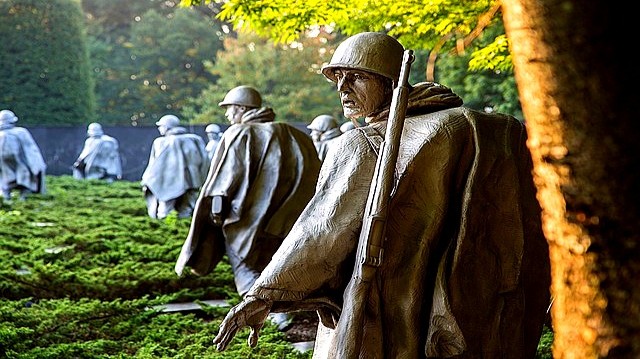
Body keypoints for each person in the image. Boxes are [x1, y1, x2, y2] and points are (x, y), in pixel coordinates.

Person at [211, 32, 551, 358]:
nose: (343, 88)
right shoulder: (476, 127)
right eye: (338, 78)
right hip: (480, 313)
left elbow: (322, 233)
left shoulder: (359, 144)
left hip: (387, 316)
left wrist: (263, 294)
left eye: (357, 77)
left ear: (390, 82)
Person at [174, 85, 321, 330]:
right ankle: (283, 308)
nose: (228, 115)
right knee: (276, 265)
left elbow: (225, 179)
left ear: (242, 108)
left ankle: (272, 313)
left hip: (244, 221)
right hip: (286, 221)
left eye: (230, 109)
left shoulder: (239, 133)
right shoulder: (294, 134)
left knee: (245, 268)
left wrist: (216, 212)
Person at [141, 114, 208, 219]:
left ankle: (167, 230)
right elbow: (205, 161)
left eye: (161, 126)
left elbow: (153, 166)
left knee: (165, 212)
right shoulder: (195, 139)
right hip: (192, 182)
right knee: (187, 210)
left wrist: (147, 180)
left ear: (167, 126)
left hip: (168, 183)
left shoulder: (161, 142)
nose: (159, 128)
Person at [0, 109, 46, 201]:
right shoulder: (21, 132)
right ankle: (22, 199)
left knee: (6, 182)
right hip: (20, 163)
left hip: (5, 166)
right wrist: (37, 165)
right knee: (25, 180)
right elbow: (31, 150)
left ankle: (7, 200)